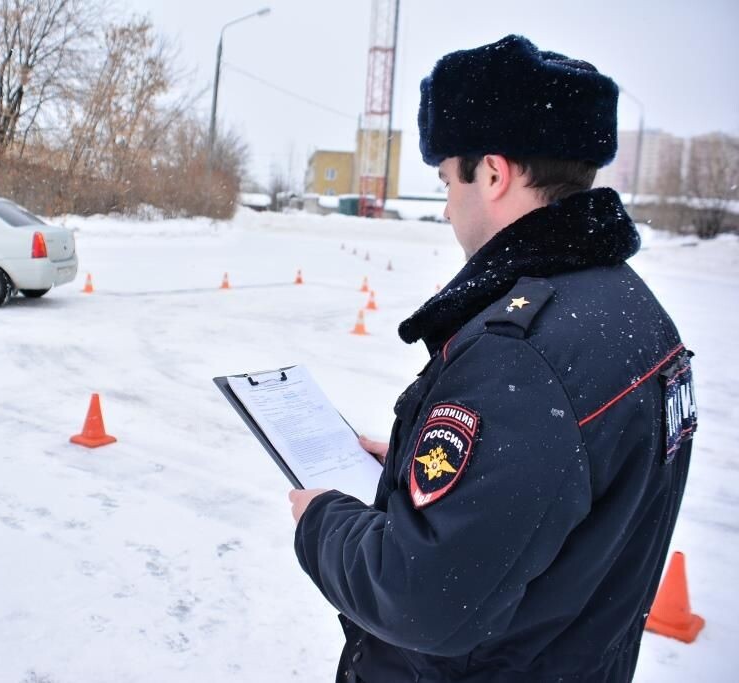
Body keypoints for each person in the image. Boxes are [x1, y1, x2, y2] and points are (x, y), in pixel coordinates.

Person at [288, 34, 697, 682]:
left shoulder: (522, 357)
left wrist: (322, 520)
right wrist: (406, 472)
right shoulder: (637, 312)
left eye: (449, 178)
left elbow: (423, 597)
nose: (447, 202)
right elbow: (551, 510)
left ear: (495, 174)